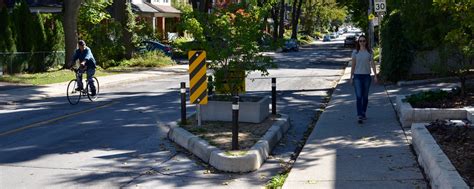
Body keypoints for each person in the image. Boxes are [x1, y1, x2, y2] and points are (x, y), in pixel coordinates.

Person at [350, 35, 378, 124]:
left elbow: (373, 64)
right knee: (359, 96)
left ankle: (363, 112)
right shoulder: (355, 52)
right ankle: (359, 115)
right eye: (360, 41)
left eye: (364, 41)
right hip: (357, 76)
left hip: (366, 76)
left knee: (365, 97)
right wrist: (351, 77)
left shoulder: (369, 52)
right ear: (358, 42)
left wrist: (375, 75)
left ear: (366, 42)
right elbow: (353, 65)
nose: (362, 42)